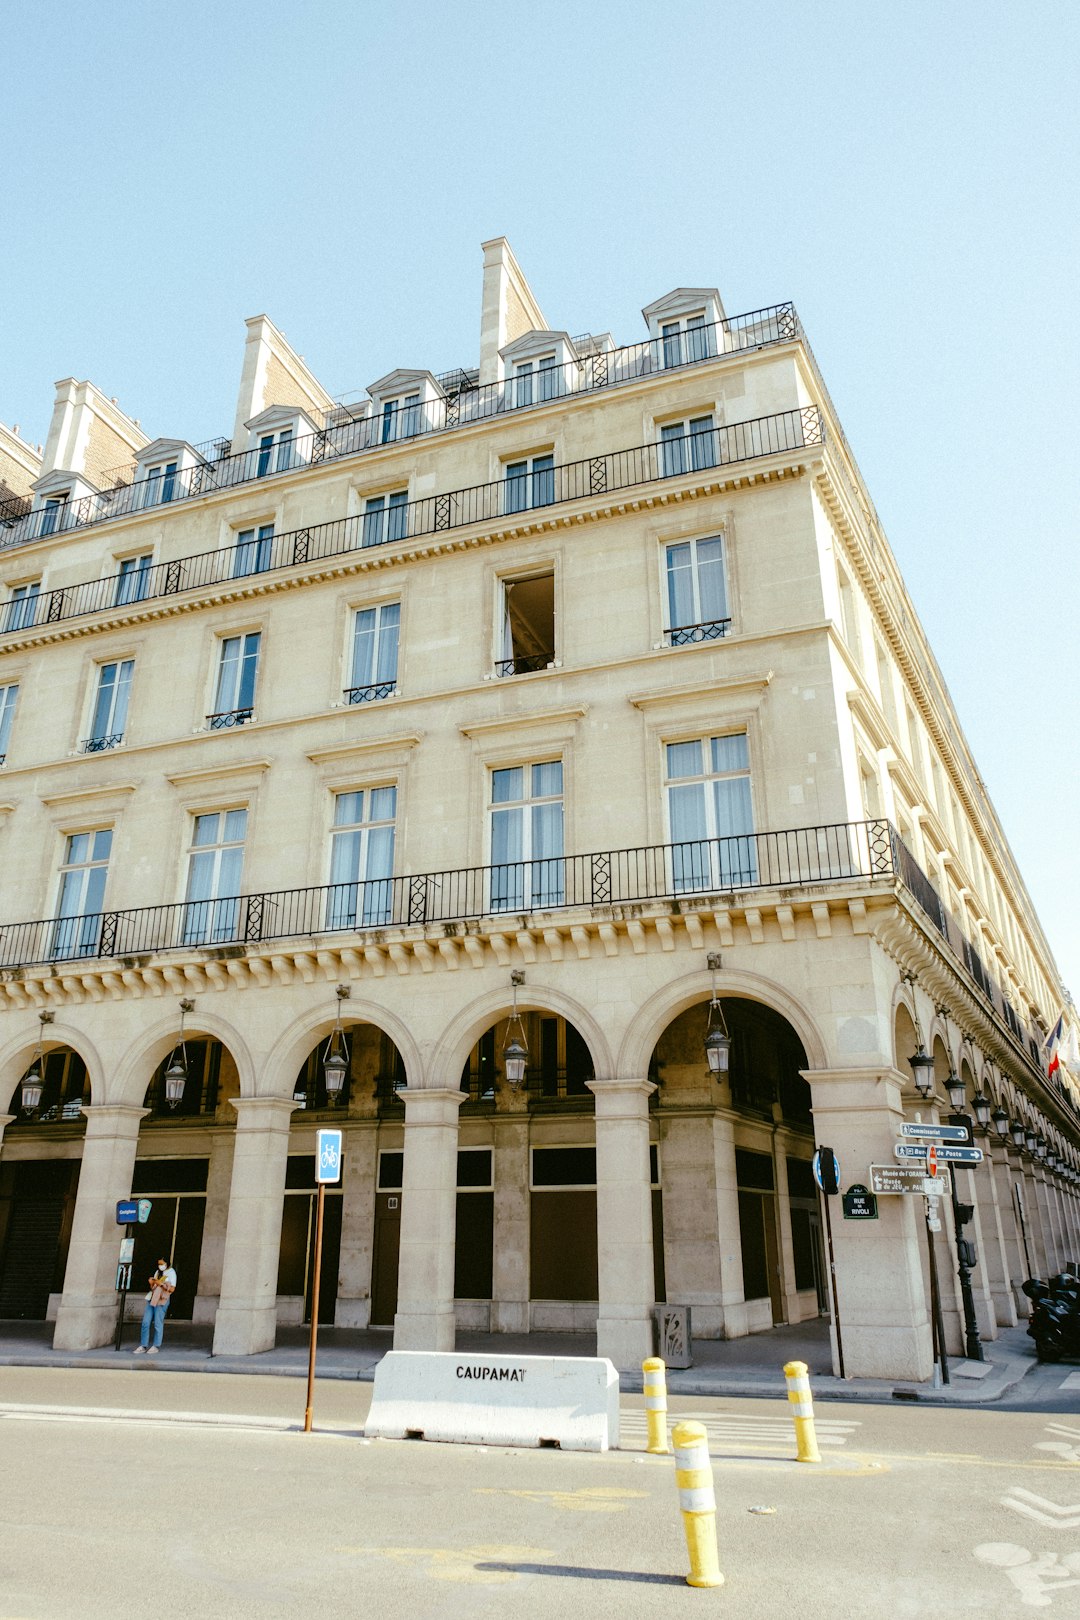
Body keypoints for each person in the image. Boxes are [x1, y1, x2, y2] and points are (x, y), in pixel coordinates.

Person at [133, 1257, 176, 1355]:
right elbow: (153, 1288)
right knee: (145, 1322)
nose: (160, 1266)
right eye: (159, 1264)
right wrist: (152, 1283)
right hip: (152, 1298)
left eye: (162, 1263)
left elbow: (172, 1289)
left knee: (158, 1322)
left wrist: (160, 1284)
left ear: (167, 1263)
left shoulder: (171, 1272)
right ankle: (143, 1345)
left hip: (161, 1300)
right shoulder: (157, 1272)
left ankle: (156, 1345)